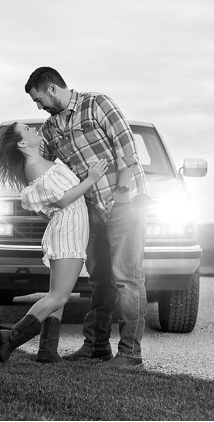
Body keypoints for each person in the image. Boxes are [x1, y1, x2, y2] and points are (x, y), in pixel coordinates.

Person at [25, 67, 150, 368]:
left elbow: (127, 150)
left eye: (39, 99)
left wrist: (121, 193)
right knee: (100, 280)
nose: (39, 106)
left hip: (125, 202)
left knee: (126, 278)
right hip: (92, 209)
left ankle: (131, 354)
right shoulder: (52, 127)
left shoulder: (96, 104)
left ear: (52, 88)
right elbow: (33, 156)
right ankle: (96, 346)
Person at [0, 122, 107, 363]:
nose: (32, 128)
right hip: (67, 232)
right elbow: (61, 201)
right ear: (21, 143)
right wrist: (92, 179)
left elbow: (46, 205)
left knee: (57, 295)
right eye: (26, 129)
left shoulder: (41, 163)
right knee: (59, 297)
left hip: (70, 229)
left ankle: (47, 351)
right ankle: (11, 338)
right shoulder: (35, 167)